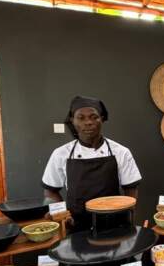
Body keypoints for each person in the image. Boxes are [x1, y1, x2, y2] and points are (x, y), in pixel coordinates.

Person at [42, 96, 141, 228]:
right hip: (76, 225)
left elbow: (131, 188)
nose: (88, 122)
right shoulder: (60, 154)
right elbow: (50, 190)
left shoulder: (121, 152)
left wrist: (128, 213)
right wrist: (62, 214)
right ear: (72, 120)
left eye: (94, 117)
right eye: (81, 117)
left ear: (102, 119)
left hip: (115, 224)